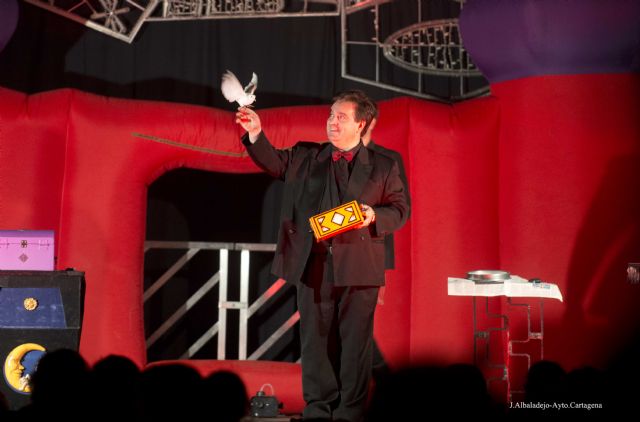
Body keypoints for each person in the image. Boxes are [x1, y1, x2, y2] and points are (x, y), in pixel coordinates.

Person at [235, 90, 410, 422]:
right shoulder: (307, 156)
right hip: (314, 265)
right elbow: (274, 161)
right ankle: (317, 410)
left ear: (361, 124)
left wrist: (374, 215)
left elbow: (400, 210)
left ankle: (350, 412)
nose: (332, 122)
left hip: (360, 268)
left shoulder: (384, 165)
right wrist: (255, 132)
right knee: (315, 342)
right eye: (331, 115)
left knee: (355, 345)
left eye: (341, 117)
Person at [360, 116, 411, 382]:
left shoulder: (387, 160)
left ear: (370, 122)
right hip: (331, 253)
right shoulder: (332, 156)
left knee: (357, 325)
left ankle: (384, 381)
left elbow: (399, 210)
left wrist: (373, 215)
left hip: (369, 254)